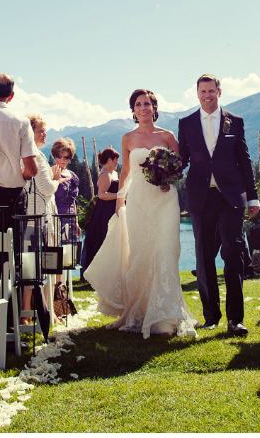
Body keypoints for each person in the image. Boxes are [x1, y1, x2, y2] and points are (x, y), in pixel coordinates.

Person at [85, 89, 197, 338]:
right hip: (138, 203)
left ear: (154, 107)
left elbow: (179, 167)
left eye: (147, 103)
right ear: (133, 110)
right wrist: (119, 202)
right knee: (141, 255)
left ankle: (166, 319)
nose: (143, 108)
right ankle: (143, 311)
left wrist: (166, 172)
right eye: (138, 104)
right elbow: (125, 173)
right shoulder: (127, 138)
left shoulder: (167, 136)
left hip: (165, 200)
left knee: (165, 251)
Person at [177, 74, 260, 335]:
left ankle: (236, 320)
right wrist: (164, 173)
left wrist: (253, 196)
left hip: (231, 196)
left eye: (211, 90)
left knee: (233, 254)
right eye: (202, 91)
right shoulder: (187, 123)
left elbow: (244, 160)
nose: (207, 95)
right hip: (201, 197)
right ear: (197, 94)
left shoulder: (234, 121)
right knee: (203, 256)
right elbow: (182, 158)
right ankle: (211, 316)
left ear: (219, 92)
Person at [0, 73, 39, 231]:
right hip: (11, 197)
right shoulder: (21, 123)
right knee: (11, 250)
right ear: (11, 96)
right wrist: (21, 173)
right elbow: (32, 169)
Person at [22, 113, 58, 325]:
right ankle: (46, 311)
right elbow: (45, 188)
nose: (45, 134)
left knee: (28, 265)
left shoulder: (23, 153)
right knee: (45, 265)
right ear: (30, 133)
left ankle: (26, 312)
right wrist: (55, 180)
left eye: (45, 130)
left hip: (27, 216)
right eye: (40, 131)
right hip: (39, 218)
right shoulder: (38, 157)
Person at [80, 146, 119, 277]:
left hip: (109, 211)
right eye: (115, 160)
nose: (117, 163)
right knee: (103, 239)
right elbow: (102, 195)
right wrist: (120, 195)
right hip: (105, 213)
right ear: (109, 160)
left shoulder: (111, 173)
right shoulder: (106, 175)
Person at [50, 138, 81, 245]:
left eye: (66, 157)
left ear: (70, 158)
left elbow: (73, 201)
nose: (62, 159)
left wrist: (76, 222)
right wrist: (55, 180)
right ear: (54, 156)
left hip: (71, 219)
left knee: (71, 258)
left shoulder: (72, 176)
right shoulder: (49, 173)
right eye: (59, 156)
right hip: (56, 219)